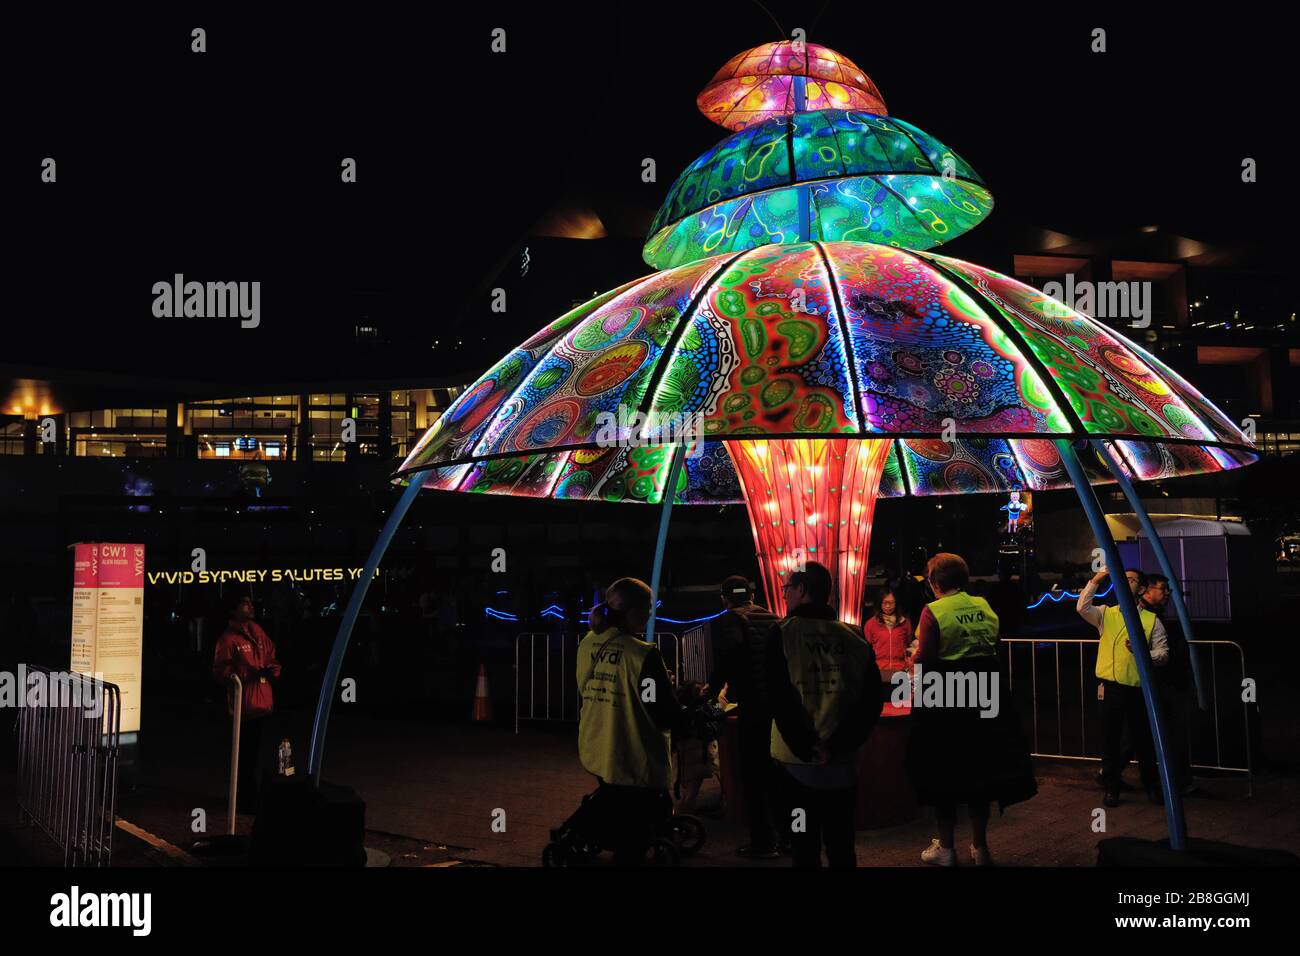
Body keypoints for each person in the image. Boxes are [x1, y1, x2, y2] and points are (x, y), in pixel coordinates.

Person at [907, 553, 1037, 867]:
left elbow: (925, 658)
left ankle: (947, 849)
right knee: (981, 773)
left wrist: (912, 657)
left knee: (944, 773)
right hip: (986, 697)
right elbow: (994, 643)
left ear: (935, 582)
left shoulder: (933, 611)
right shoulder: (984, 606)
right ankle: (980, 848)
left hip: (948, 700)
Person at [765, 562, 883, 867]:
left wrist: (806, 746)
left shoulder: (781, 633)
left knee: (803, 843)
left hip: (795, 767)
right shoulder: (854, 637)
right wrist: (838, 745)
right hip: (841, 765)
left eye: (787, 589)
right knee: (841, 844)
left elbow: (778, 697)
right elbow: (871, 701)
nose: (786, 595)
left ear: (802, 590)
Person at [576, 577, 682, 865]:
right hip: (633, 753)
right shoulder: (643, 654)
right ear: (635, 612)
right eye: (649, 607)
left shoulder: (588, 644)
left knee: (614, 803)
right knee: (636, 823)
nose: (651, 613)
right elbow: (663, 711)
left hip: (597, 744)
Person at [1077, 567, 1169, 808]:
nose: (1124, 581)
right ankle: (1112, 787)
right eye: (1122, 578)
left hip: (1138, 689)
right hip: (1110, 688)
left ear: (1141, 589)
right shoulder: (1106, 613)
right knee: (1110, 739)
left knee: (1142, 739)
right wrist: (1097, 579)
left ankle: (1151, 785)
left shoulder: (1151, 620)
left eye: (1131, 579)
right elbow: (1082, 607)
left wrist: (1145, 654)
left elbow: (1163, 653)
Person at [707, 575, 781, 858]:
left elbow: (730, 656)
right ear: (752, 595)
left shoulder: (729, 621)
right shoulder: (774, 617)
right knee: (777, 774)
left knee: (753, 776)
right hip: (777, 707)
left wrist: (712, 689)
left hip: (753, 707)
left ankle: (763, 842)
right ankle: (787, 835)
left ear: (725, 599)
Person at [212, 592, 282, 813]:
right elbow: (221, 671)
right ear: (233, 610)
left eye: (250, 602)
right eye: (244, 603)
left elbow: (271, 656)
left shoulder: (258, 633)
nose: (250, 606)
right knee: (245, 756)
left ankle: (252, 798)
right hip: (244, 706)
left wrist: (272, 671)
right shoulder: (228, 640)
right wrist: (243, 675)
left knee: (256, 753)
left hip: (261, 702)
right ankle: (244, 801)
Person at [1145, 574, 1196, 795]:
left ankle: (1112, 771)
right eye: (1162, 589)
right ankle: (1176, 779)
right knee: (1170, 731)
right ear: (1147, 590)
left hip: (1165, 679)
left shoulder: (1155, 615)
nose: (1166, 593)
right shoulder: (1148, 616)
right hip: (1162, 680)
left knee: (1153, 731)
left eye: (1167, 590)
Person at [864, 588, 911, 695]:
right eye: (885, 603)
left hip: (900, 672)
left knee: (900, 708)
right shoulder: (870, 624)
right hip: (879, 673)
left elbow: (908, 644)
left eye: (891, 603)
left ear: (896, 604)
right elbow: (868, 649)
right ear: (879, 604)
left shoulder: (905, 623)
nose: (888, 606)